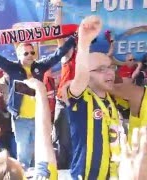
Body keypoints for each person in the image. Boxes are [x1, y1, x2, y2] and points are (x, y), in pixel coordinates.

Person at [0, 14, 76, 169]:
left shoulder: (39, 66)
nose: (29, 55)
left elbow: (58, 54)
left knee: (41, 152)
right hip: (21, 119)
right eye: (26, 53)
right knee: (23, 154)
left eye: (32, 52)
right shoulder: (13, 68)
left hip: (38, 118)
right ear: (19, 55)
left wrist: (73, 39)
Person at [66, 15, 122, 179]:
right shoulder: (80, 99)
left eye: (111, 68)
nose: (110, 72)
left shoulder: (111, 99)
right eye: (101, 69)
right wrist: (84, 43)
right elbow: (81, 76)